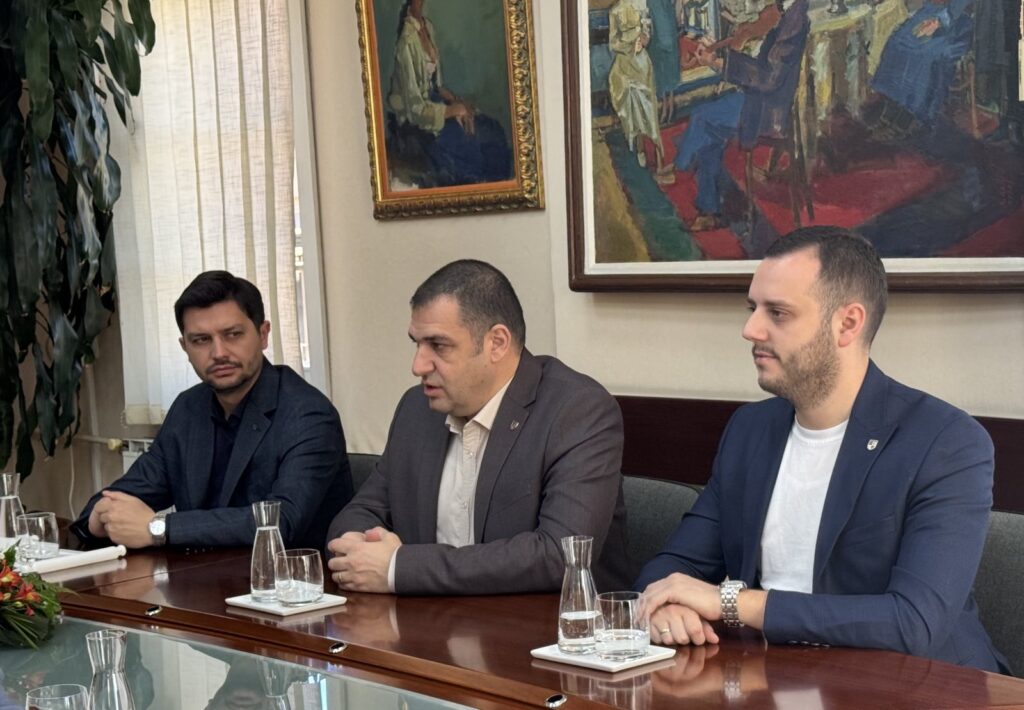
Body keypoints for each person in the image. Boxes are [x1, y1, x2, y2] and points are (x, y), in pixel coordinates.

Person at [636, 227, 1009, 673]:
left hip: (923, 687)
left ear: (847, 324)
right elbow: (674, 566)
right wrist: (665, 606)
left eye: (778, 313)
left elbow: (913, 622)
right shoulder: (750, 429)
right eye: (753, 309)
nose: (750, 329)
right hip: (771, 679)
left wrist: (731, 602)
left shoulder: (945, 441)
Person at [326, 260, 629, 595]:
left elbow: (560, 555)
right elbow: (361, 511)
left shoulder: (576, 411)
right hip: (427, 621)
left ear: (496, 343)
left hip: (546, 623)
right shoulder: (417, 409)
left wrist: (400, 567)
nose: (418, 365)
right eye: (417, 343)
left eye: (438, 345)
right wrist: (358, 548)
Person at [72, 271, 352, 550]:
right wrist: (101, 517)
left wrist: (158, 528)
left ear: (263, 334)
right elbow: (130, 491)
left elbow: (281, 522)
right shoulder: (188, 408)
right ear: (185, 347)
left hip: (287, 576)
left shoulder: (308, 415)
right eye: (201, 340)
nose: (219, 353)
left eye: (233, 335)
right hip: (199, 574)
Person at [672, 0, 808, 231]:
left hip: (766, 110)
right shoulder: (786, 10)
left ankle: (681, 166)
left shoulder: (794, 19)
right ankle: (708, 209)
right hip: (759, 99)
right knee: (708, 130)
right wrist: (723, 53)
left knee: (700, 118)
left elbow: (768, 78)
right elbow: (763, 63)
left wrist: (718, 62)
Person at [386, 0, 512, 188]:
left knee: (493, 131)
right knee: (470, 153)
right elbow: (416, 109)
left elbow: (436, 86)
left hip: (436, 103)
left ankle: (504, 193)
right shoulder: (406, 43)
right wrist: (452, 111)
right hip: (418, 119)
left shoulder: (427, 27)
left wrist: (459, 104)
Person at [870, 0, 974, 133]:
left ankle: (907, 117)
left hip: (957, 24)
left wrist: (940, 21)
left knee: (926, 56)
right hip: (929, 12)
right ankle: (891, 108)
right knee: (896, 43)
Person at [608, 0, 675, 182]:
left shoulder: (642, 5)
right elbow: (613, 43)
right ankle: (639, 149)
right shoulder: (615, 11)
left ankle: (660, 162)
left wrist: (645, 38)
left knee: (650, 113)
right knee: (634, 113)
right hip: (625, 68)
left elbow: (647, 30)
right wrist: (631, 46)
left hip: (643, 66)